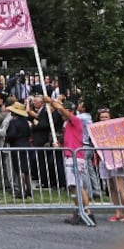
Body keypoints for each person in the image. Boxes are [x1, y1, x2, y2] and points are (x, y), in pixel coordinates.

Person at [46, 96, 94, 225]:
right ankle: (79, 210)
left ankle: (87, 211)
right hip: (69, 155)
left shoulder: (76, 121)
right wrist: (60, 146)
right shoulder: (66, 124)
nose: (61, 115)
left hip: (75, 158)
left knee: (78, 185)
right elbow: (69, 140)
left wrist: (51, 101)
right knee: (73, 186)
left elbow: (62, 110)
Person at [95, 107, 124, 223]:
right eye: (101, 117)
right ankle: (118, 212)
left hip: (116, 160)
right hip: (104, 160)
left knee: (120, 188)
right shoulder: (96, 130)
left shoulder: (115, 129)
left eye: (106, 117)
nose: (103, 119)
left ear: (110, 118)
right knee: (111, 188)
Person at [5, 101, 33, 199]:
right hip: (26, 145)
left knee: (19, 169)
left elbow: (11, 135)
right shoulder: (25, 122)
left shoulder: (13, 122)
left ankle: (22, 191)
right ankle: (29, 190)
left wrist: (7, 138)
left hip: (17, 146)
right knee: (26, 169)